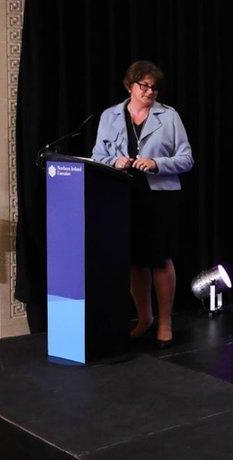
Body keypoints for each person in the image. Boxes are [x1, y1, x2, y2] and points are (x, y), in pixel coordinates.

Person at [92, 60, 193, 348]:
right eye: (144, 86)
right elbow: (97, 155)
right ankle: (144, 318)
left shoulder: (169, 117)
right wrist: (115, 161)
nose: (149, 92)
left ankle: (165, 322)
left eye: (154, 88)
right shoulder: (109, 116)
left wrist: (157, 162)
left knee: (160, 259)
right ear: (130, 85)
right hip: (123, 195)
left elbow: (187, 159)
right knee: (135, 261)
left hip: (159, 196)